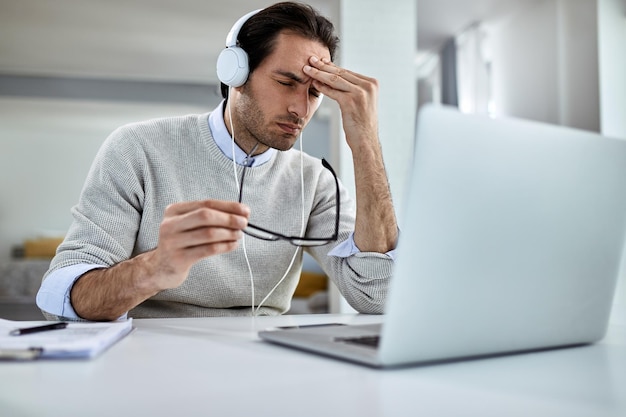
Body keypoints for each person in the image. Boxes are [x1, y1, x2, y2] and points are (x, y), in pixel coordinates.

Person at [36, 2, 398, 321]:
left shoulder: (314, 181)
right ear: (234, 73)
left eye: (315, 92)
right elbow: (57, 297)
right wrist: (155, 267)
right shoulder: (139, 148)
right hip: (148, 360)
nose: (301, 109)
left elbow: (378, 297)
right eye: (286, 82)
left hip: (267, 364)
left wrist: (365, 143)